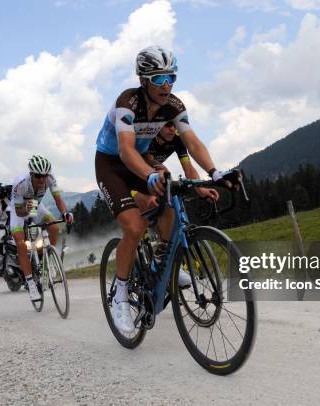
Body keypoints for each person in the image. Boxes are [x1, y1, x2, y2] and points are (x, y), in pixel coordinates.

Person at [95, 45, 229, 334]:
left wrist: (214, 173)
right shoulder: (127, 102)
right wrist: (149, 175)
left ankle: (162, 261)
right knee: (132, 227)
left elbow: (192, 142)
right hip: (112, 164)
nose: (166, 84)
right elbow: (125, 150)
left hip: (140, 162)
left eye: (171, 77)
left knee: (169, 203)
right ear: (144, 80)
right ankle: (119, 295)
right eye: (158, 78)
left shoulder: (174, 106)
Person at [10, 155, 73, 301]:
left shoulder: (50, 178)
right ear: (31, 174)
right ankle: (30, 283)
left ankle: (47, 262)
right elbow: (19, 212)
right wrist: (26, 209)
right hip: (18, 210)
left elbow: (58, 199)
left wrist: (65, 213)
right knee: (20, 244)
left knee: (54, 228)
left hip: (34, 205)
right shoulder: (20, 184)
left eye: (44, 176)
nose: (42, 180)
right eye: (38, 176)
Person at [0, 183, 12, 275]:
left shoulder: (13, 199)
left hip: (12, 224)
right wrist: (2, 207)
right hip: (3, 224)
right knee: (2, 244)